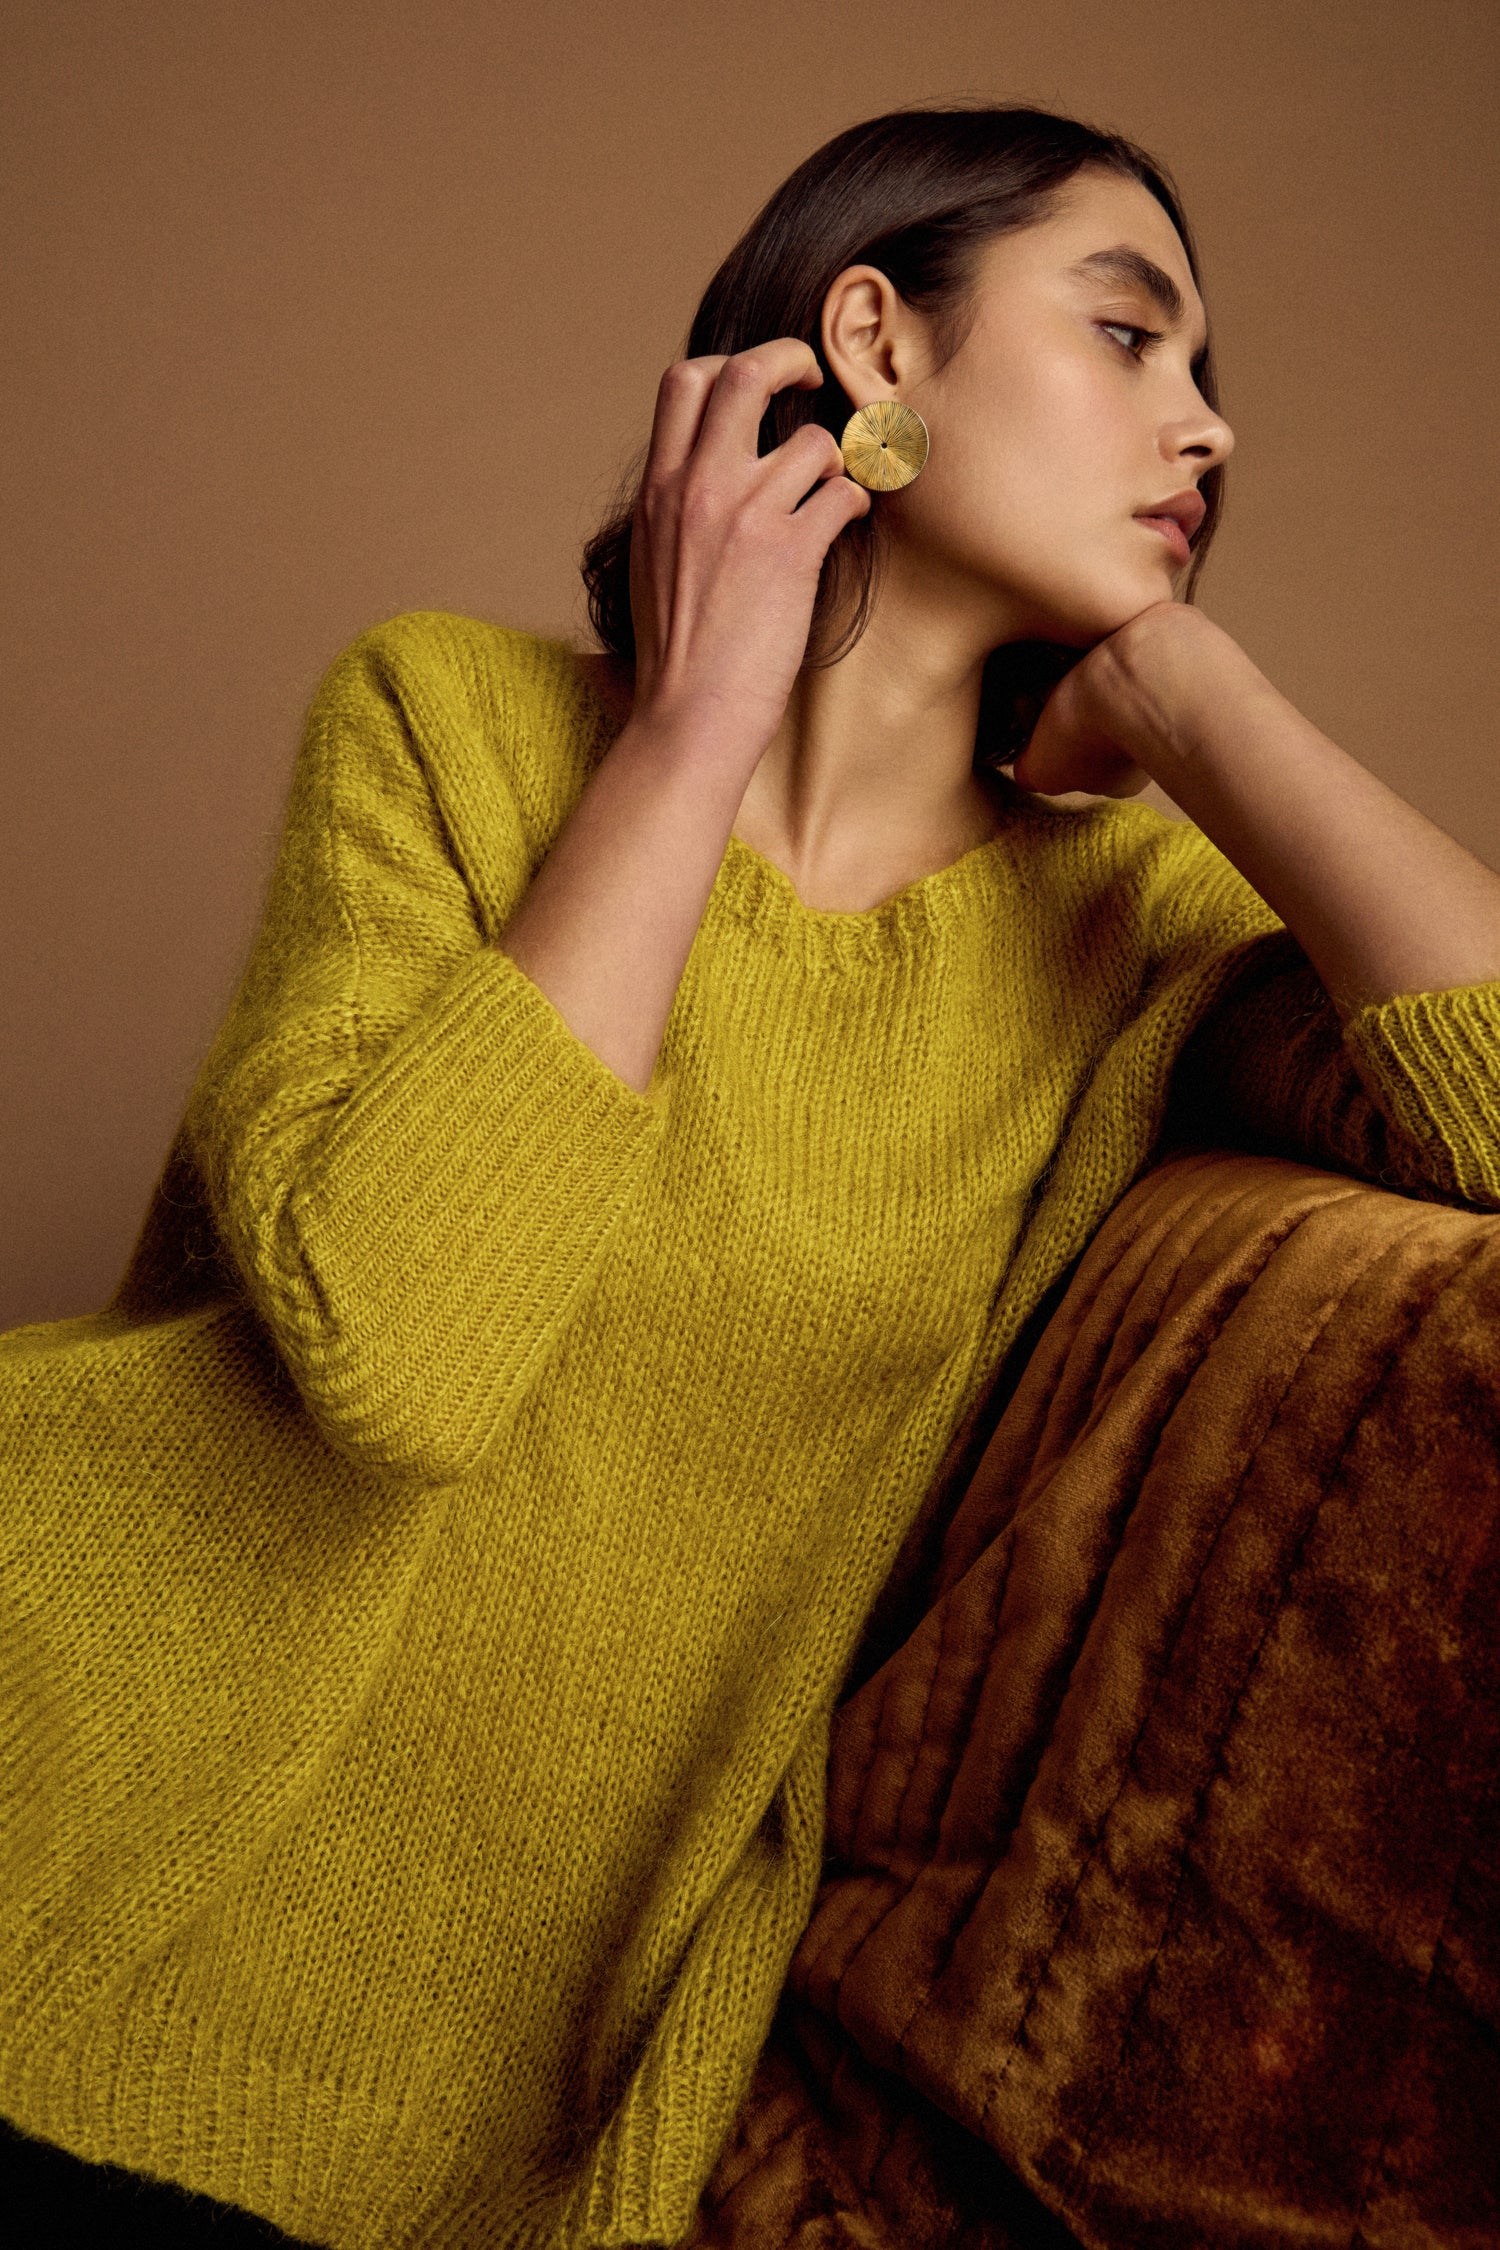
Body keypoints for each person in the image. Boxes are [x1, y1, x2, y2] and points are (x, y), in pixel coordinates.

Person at [2, 102, 1497, 2250]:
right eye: (1132, 336)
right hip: (51, 1794)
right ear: (876, 341)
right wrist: (697, 726)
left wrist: (1195, 692)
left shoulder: (1128, 938)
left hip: (487, 2102)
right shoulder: (448, 725)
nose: (1208, 430)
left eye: (1216, 383)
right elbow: (405, 1352)